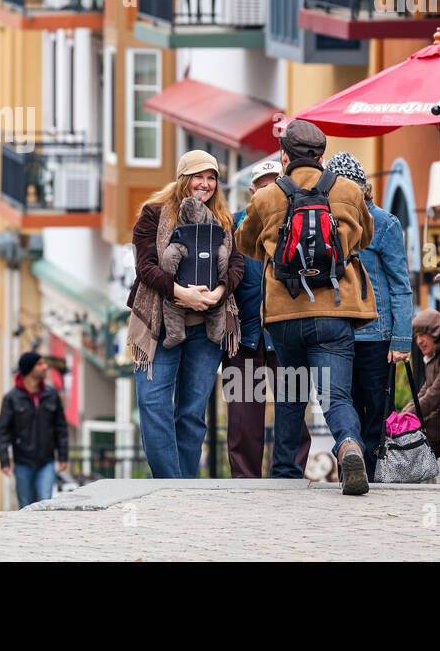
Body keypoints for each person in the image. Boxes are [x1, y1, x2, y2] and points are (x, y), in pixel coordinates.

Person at [235, 119, 376, 495]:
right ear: (322, 156)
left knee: (291, 392)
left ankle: (285, 476)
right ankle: (348, 445)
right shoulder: (346, 190)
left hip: (284, 315)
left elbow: (245, 244)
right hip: (334, 310)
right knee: (336, 396)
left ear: (284, 157)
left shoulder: (265, 198)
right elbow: (366, 235)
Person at [127, 150, 243, 479]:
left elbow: (235, 265)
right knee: (152, 404)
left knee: (192, 414)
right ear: (183, 179)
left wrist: (219, 292)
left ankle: (186, 488)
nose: (205, 184)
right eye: (198, 177)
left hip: (206, 330)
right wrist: (182, 294)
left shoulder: (223, 219)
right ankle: (170, 485)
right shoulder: (153, 214)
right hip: (158, 327)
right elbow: (145, 265)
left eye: (211, 178)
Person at [324, 151, 414, 481]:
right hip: (336, 333)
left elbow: (401, 286)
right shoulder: (322, 223)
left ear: (363, 189)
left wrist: (401, 339)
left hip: (377, 336)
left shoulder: (384, 224)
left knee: (377, 412)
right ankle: (353, 467)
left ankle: (372, 476)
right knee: (342, 407)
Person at [226, 160, 311, 479]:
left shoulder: (300, 224)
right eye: (262, 186)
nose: (268, 191)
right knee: (243, 421)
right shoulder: (233, 226)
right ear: (251, 191)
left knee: (294, 416)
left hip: (288, 336)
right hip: (243, 339)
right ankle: (245, 485)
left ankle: (290, 477)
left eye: (274, 184)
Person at [0, 352, 69, 507]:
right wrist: (4, 461)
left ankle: (43, 531)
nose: (45, 367)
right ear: (29, 369)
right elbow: (3, 432)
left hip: (46, 461)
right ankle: (27, 532)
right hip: (22, 462)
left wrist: (63, 456)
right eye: (40, 364)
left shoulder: (52, 394)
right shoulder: (11, 398)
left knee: (44, 502)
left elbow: (61, 428)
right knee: (26, 504)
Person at [403, 308, 440, 456]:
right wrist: (404, 413)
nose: (419, 341)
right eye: (416, 336)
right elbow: (424, 391)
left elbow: (433, 396)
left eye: (423, 335)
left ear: (436, 334)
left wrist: (407, 417)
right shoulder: (432, 360)